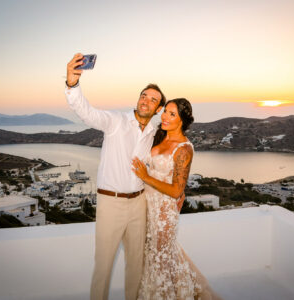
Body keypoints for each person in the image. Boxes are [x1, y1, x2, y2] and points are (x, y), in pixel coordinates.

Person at [65, 53, 170, 300]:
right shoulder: (116, 121)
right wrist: (72, 84)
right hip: (110, 203)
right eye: (143, 95)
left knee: (136, 263)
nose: (146, 100)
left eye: (152, 99)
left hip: (138, 204)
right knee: (103, 266)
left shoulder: (155, 130)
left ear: (157, 108)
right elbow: (87, 113)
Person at [132, 99, 222, 299]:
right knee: (154, 257)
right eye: (165, 111)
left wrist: (146, 177)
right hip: (146, 206)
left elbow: (175, 190)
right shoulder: (158, 136)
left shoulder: (184, 149)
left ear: (182, 120)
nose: (165, 116)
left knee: (160, 260)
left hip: (164, 212)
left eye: (172, 114)